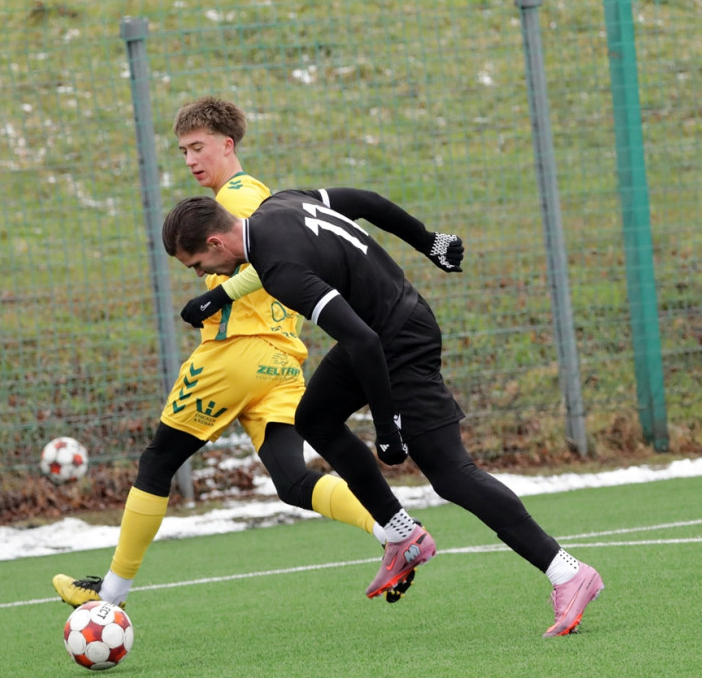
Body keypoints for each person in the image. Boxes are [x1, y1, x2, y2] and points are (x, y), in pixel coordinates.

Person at [162, 187, 605, 636]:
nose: (201, 273)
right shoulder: (279, 204)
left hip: (399, 341)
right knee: (314, 417)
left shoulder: (280, 270)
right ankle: (401, 535)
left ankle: (567, 572)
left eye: (196, 265)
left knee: (451, 473)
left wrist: (387, 426)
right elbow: (366, 202)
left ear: (216, 243)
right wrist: (427, 240)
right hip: (381, 332)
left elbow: (364, 341)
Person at [52, 98, 401, 610]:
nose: (191, 160)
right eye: (183, 151)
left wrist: (216, 296)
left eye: (198, 148)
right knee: (292, 480)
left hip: (234, 354)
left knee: (157, 462)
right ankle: (394, 534)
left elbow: (265, 261)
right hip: (280, 361)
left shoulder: (238, 197)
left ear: (227, 145)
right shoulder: (257, 198)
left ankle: (111, 594)